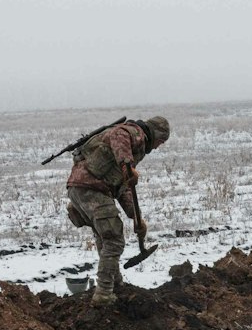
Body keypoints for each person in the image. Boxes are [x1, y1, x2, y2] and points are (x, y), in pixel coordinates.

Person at [65, 116, 172, 305]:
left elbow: (123, 187)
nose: (157, 147)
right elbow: (118, 134)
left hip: (81, 188)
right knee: (114, 240)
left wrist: (136, 217)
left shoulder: (136, 147)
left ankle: (115, 283)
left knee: (105, 237)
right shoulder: (135, 133)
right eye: (160, 142)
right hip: (92, 189)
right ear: (155, 134)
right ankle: (103, 293)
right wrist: (126, 165)